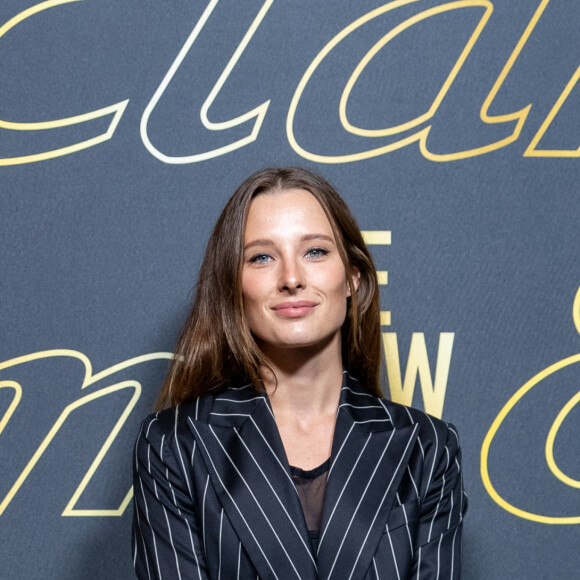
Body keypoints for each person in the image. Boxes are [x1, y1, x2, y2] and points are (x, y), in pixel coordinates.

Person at [132, 166, 466, 579]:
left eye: (315, 252)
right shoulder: (177, 446)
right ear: (233, 288)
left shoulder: (426, 448)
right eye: (262, 257)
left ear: (353, 279)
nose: (291, 278)